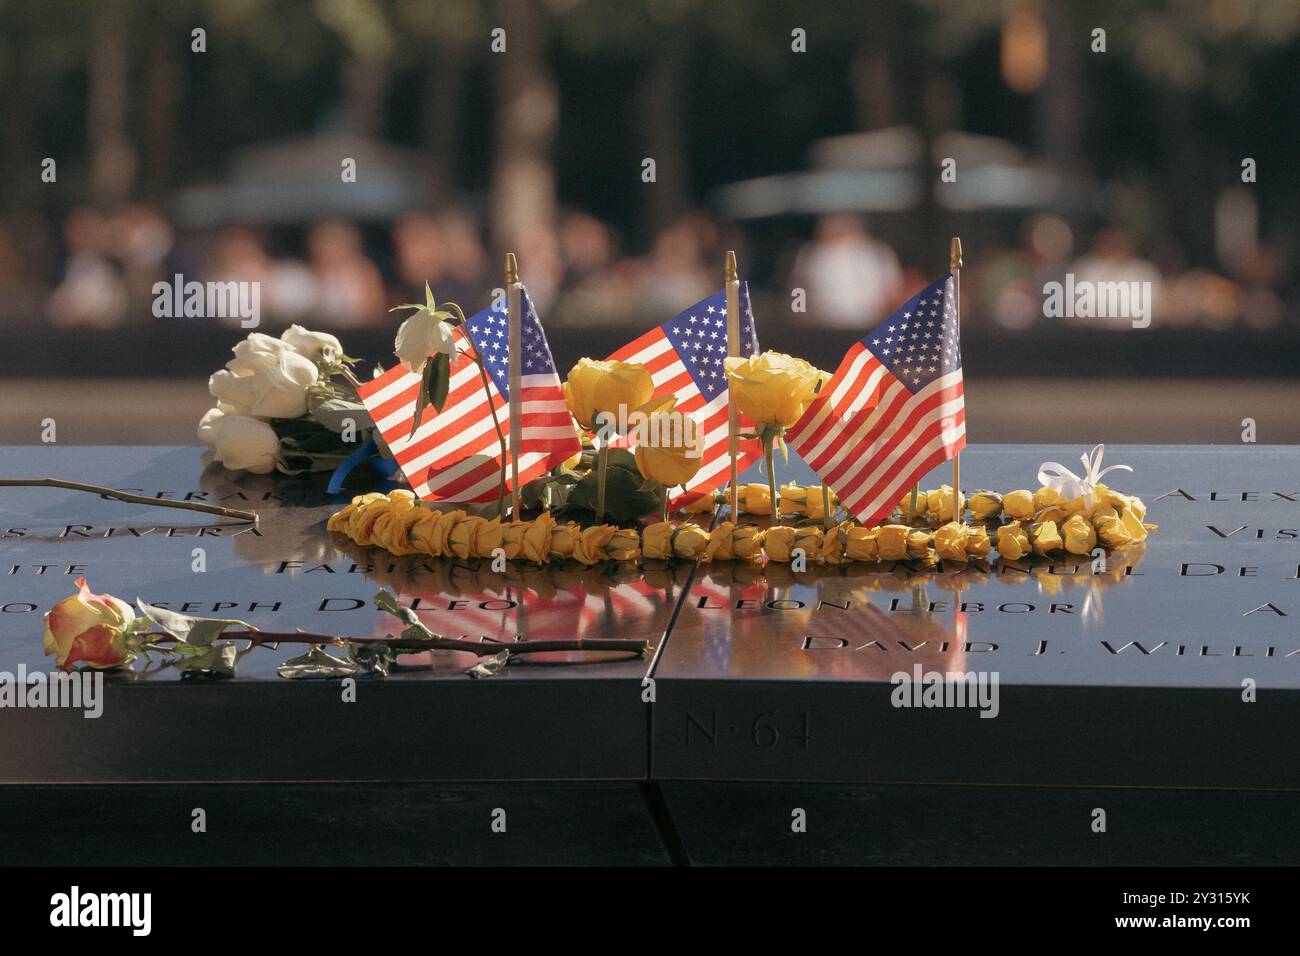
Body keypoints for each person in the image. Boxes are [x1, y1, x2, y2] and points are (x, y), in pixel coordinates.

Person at [790, 214, 903, 328]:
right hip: (822, 328)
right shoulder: (809, 254)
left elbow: (892, 292)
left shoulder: (878, 252)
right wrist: (800, 316)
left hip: (867, 327)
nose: (837, 225)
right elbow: (798, 290)